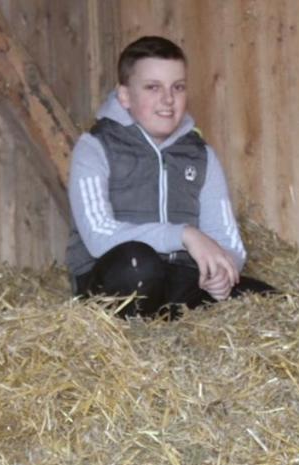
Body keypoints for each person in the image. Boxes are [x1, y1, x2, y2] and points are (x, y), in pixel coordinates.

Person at [65, 35, 275, 318]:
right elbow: (99, 236)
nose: (168, 99)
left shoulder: (200, 155)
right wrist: (184, 234)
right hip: (119, 279)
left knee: (270, 303)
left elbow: (228, 242)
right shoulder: (95, 147)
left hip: (180, 280)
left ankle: (174, 327)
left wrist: (222, 271)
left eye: (178, 87)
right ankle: (147, 339)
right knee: (138, 264)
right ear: (125, 95)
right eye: (153, 87)